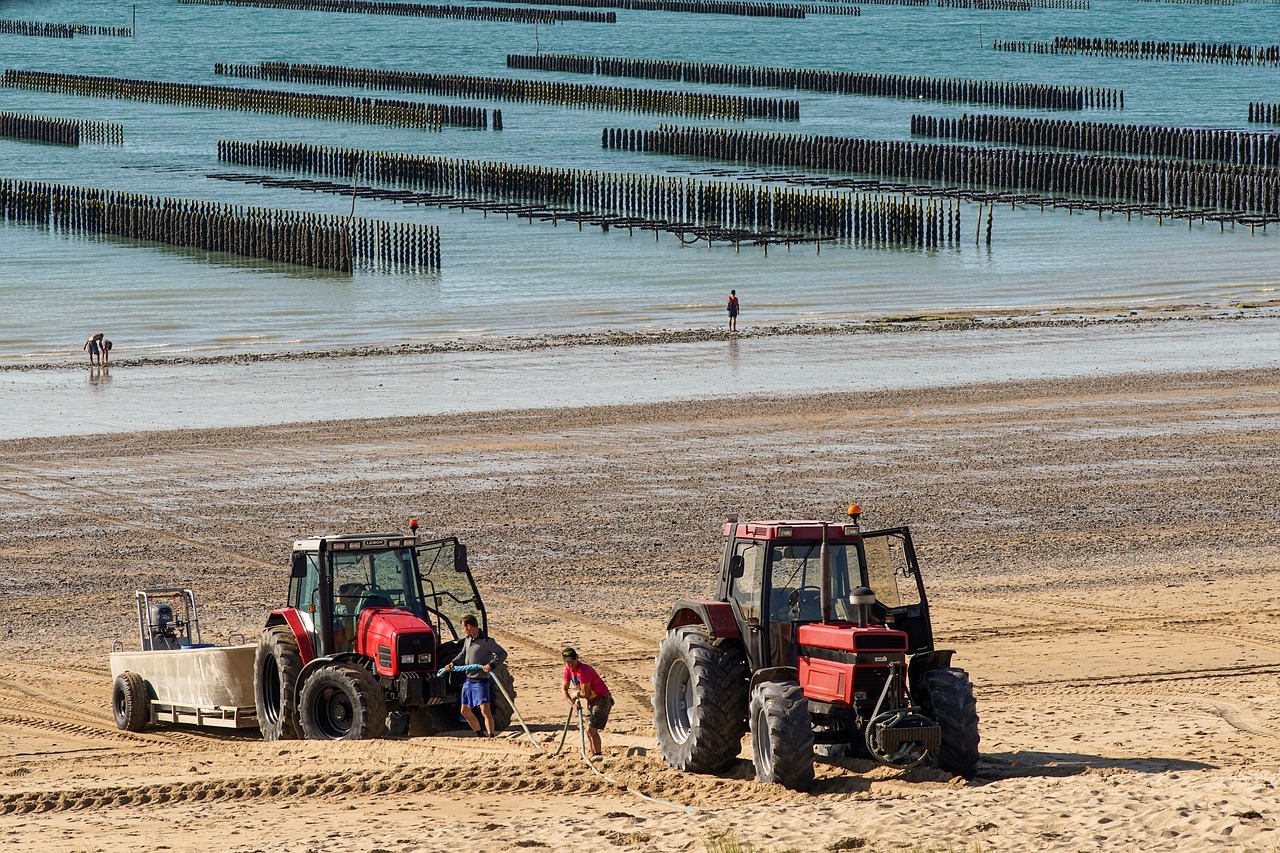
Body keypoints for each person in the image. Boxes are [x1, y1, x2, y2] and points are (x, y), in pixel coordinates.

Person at [444, 614, 507, 737]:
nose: (463, 630)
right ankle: (479, 734)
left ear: (469, 626)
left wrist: (491, 665)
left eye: (463, 627)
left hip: (480, 681)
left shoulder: (487, 642)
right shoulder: (467, 640)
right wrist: (453, 663)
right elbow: (462, 655)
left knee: (484, 709)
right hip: (468, 681)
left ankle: (491, 735)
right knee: (465, 710)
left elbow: (502, 653)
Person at [561, 647, 613, 758]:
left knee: (591, 729)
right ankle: (593, 755)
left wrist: (576, 694)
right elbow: (564, 689)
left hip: (602, 699)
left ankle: (598, 755)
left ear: (577, 658)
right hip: (592, 702)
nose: (570, 664)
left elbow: (585, 693)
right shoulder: (567, 670)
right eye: (567, 662)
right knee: (588, 731)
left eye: (572, 660)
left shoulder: (583, 671)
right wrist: (573, 704)